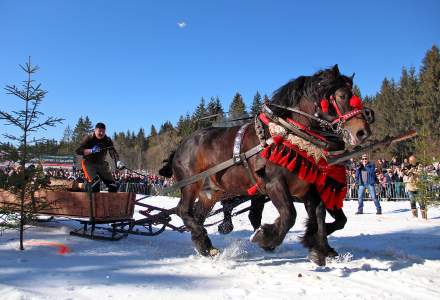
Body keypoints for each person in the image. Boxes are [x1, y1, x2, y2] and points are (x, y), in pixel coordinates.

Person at [75, 122, 125, 192]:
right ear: (95, 130)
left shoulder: (107, 140)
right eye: (99, 131)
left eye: (103, 132)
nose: (101, 133)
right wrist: (91, 150)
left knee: (113, 186)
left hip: (101, 164)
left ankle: (111, 201)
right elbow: (78, 151)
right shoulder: (89, 138)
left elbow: (112, 151)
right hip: (89, 163)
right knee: (96, 184)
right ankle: (91, 201)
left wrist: (118, 161)